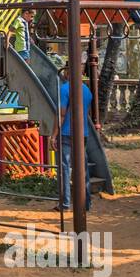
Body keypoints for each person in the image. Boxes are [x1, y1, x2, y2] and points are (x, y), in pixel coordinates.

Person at [55, 59, 93, 213]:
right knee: (82, 167)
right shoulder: (87, 90)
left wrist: (53, 135)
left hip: (65, 133)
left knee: (64, 168)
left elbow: (62, 114)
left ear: (67, 72)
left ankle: (65, 203)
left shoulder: (64, 89)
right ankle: (87, 202)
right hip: (82, 133)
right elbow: (87, 112)